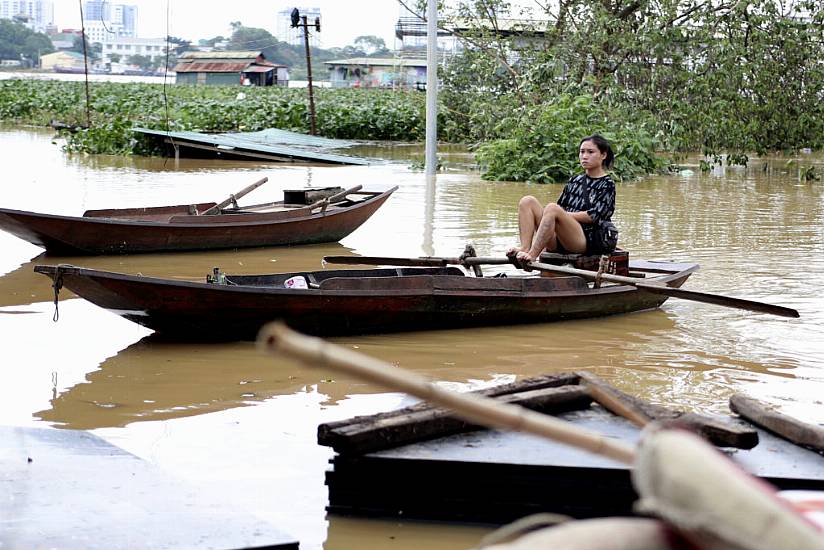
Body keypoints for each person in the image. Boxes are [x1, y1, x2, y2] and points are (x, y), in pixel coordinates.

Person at [507, 134, 617, 262]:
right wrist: (557, 215)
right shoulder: (575, 180)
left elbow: (594, 216)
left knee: (552, 209)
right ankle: (525, 247)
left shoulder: (607, 184)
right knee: (527, 201)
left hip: (584, 240)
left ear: (603, 155)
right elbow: (560, 208)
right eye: (582, 152)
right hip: (561, 238)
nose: (584, 156)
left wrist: (563, 215)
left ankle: (532, 255)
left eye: (590, 152)